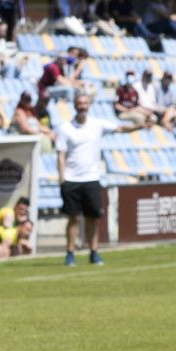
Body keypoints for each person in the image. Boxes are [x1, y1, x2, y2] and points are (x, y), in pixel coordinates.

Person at [55, 93, 139, 267]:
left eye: (84, 103)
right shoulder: (65, 128)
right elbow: (61, 155)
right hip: (71, 179)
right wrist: (62, 178)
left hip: (91, 178)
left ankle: (93, 252)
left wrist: (140, 126)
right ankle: (70, 252)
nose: (82, 106)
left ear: (89, 105)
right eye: (79, 103)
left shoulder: (97, 125)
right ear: (75, 105)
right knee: (73, 218)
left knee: (92, 217)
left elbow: (120, 129)